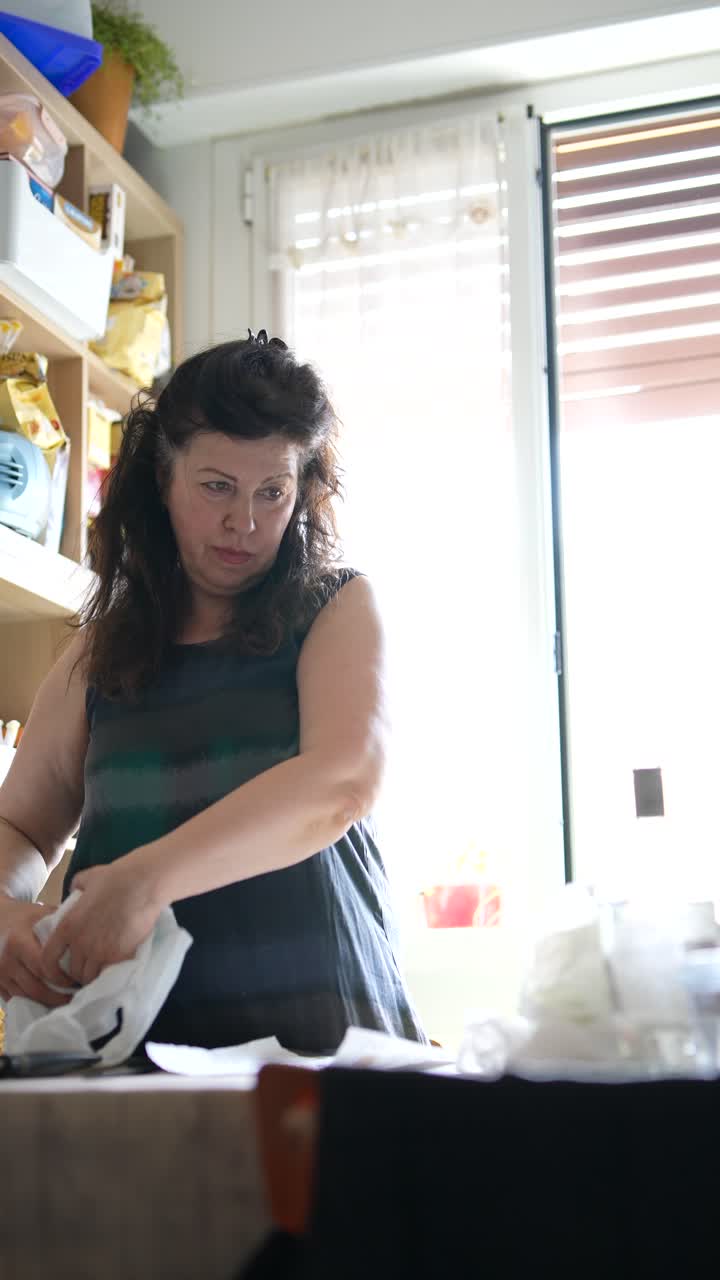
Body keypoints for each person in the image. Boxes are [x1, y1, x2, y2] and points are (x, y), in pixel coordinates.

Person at [0, 332, 426, 1053]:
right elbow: (21, 828)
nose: (246, 523)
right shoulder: (99, 651)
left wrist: (147, 880)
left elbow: (343, 781)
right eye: (216, 487)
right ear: (162, 482)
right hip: (133, 1067)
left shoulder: (334, 608)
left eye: (273, 492)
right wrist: (4, 912)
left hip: (324, 1056)